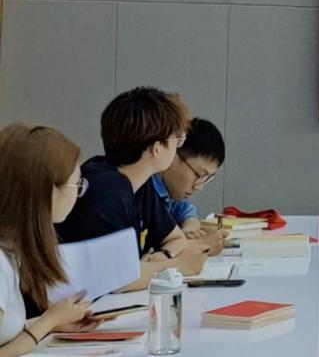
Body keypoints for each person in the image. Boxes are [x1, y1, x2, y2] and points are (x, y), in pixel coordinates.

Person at [55, 87, 207, 291]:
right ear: (157, 148)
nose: (177, 147)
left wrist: (163, 256)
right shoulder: (105, 190)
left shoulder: (142, 182)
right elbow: (117, 280)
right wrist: (178, 266)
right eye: (176, 140)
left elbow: (176, 239)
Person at [0, 124, 109, 356]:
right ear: (47, 190)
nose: (78, 194)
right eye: (76, 185)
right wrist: (49, 320)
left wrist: (54, 323)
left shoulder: (10, 250)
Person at [153, 118, 228, 252]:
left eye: (207, 179)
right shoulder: (145, 190)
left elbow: (187, 212)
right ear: (173, 153)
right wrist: (200, 244)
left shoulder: (171, 193)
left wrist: (190, 229)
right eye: (199, 175)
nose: (199, 187)